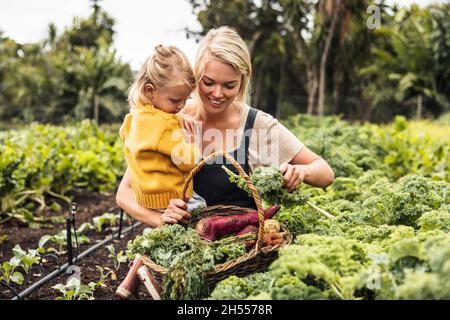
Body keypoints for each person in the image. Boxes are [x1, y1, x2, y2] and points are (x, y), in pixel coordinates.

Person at [116, 26, 335, 299]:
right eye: (208, 82)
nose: (217, 93)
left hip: (242, 262)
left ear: (243, 81)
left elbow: (325, 172)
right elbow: (125, 192)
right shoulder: (171, 116)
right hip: (187, 265)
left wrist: (299, 171)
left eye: (229, 85)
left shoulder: (259, 127)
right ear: (196, 77)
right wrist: (162, 221)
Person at [115, 44, 205, 300]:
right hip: (173, 198)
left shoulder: (135, 117)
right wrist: (192, 139)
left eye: (185, 99)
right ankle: (158, 284)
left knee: (161, 235)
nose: (181, 107)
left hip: (147, 197)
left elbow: (127, 136)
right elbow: (189, 161)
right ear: (150, 91)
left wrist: (175, 120)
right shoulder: (166, 125)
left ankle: (130, 281)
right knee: (200, 221)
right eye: (176, 101)